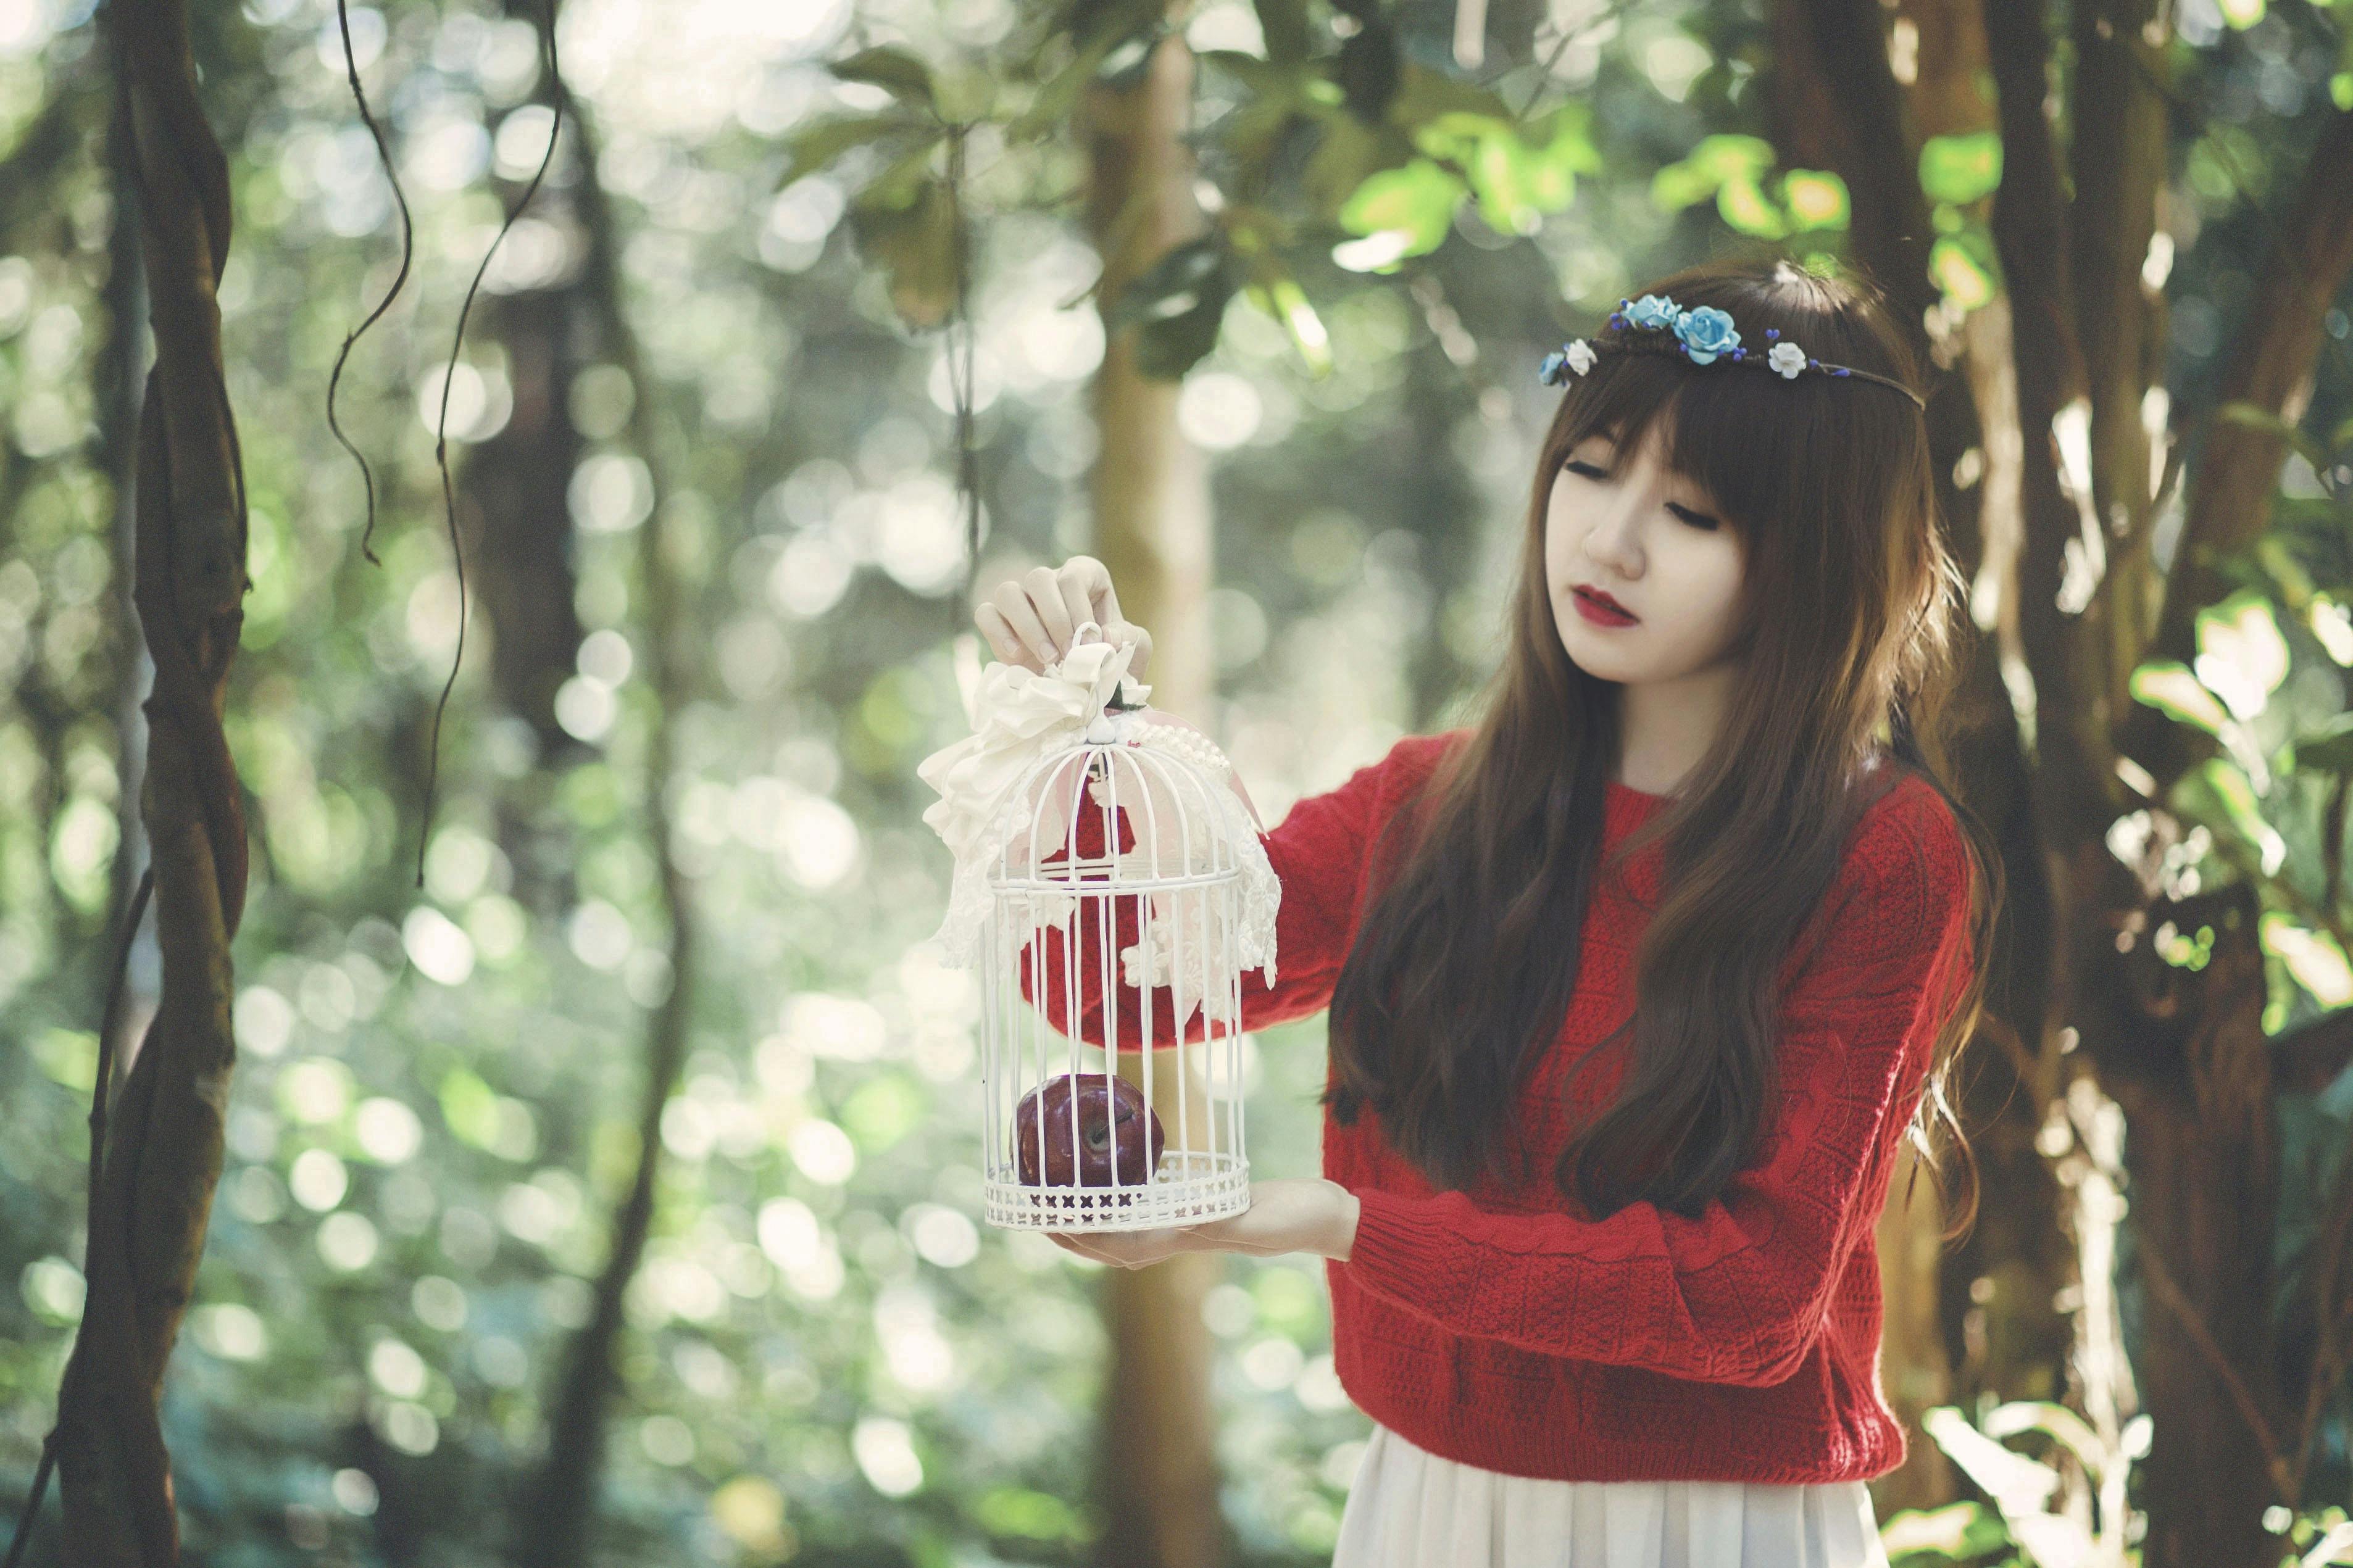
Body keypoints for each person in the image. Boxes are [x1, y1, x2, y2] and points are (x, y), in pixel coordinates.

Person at [970, 255, 2002, 1568]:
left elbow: (1749, 1298)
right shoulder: (1428, 804)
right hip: (1430, 1511)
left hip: (1716, 1524)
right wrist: (1098, 725)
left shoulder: (1880, 852)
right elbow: (1123, 990)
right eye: (1592, 465)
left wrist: (1337, 1222)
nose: (1610, 537)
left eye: (1690, 511)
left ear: (1819, 558)